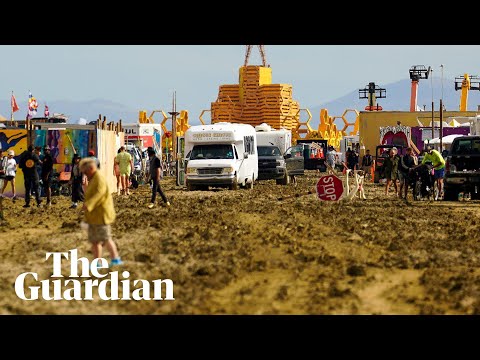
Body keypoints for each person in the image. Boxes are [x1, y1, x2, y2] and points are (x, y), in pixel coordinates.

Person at [79, 157, 123, 266]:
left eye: (85, 172)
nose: (85, 174)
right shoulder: (93, 178)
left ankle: (115, 259)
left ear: (91, 169)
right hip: (93, 216)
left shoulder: (99, 178)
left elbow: (99, 194)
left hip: (102, 215)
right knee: (95, 240)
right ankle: (97, 262)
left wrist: (88, 205)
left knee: (106, 238)